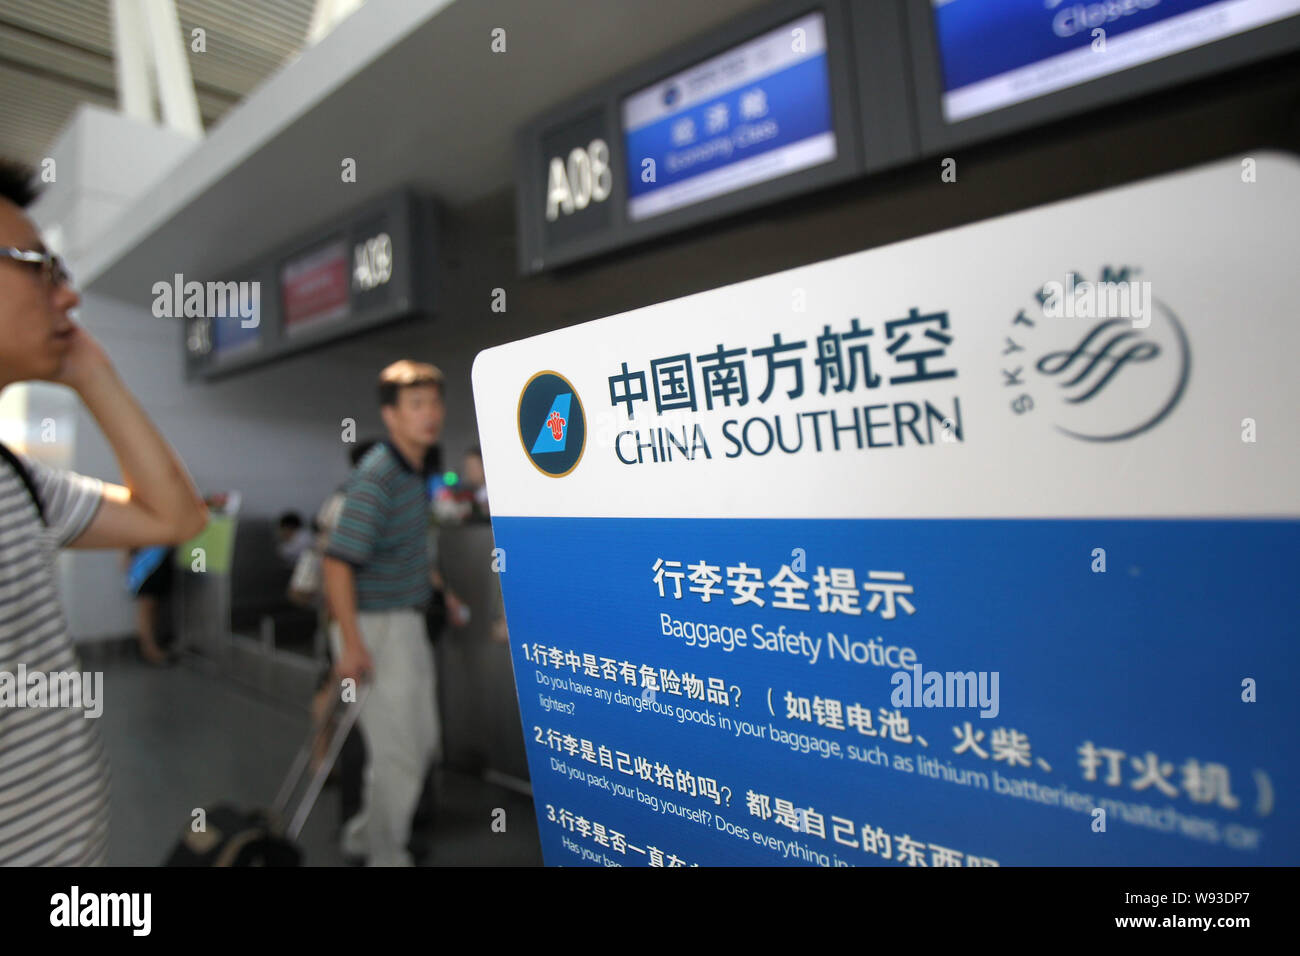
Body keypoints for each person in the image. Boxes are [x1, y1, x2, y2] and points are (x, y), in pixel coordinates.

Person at [0, 163, 208, 865]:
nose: (68, 293)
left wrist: (91, 371)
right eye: (39, 267)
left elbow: (175, 519)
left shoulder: (17, 480)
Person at [322, 360, 446, 866]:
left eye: (435, 402)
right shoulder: (378, 474)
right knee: (400, 752)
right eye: (416, 405)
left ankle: (363, 834)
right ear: (390, 415)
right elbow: (336, 564)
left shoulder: (414, 471)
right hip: (376, 627)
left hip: (404, 620)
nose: (431, 414)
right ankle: (384, 854)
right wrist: (352, 643)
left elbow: (405, 551)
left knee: (415, 742)